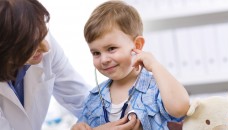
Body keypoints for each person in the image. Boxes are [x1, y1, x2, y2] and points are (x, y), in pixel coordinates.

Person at [0, 0, 138, 130]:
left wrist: (125, 115)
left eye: (42, 34)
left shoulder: (40, 41)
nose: (46, 47)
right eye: (31, 45)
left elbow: (82, 99)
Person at [74, 1, 190, 130]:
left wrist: (155, 66)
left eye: (111, 48)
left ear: (137, 45)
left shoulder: (155, 88)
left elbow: (181, 108)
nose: (104, 59)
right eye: (96, 53)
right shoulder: (94, 98)